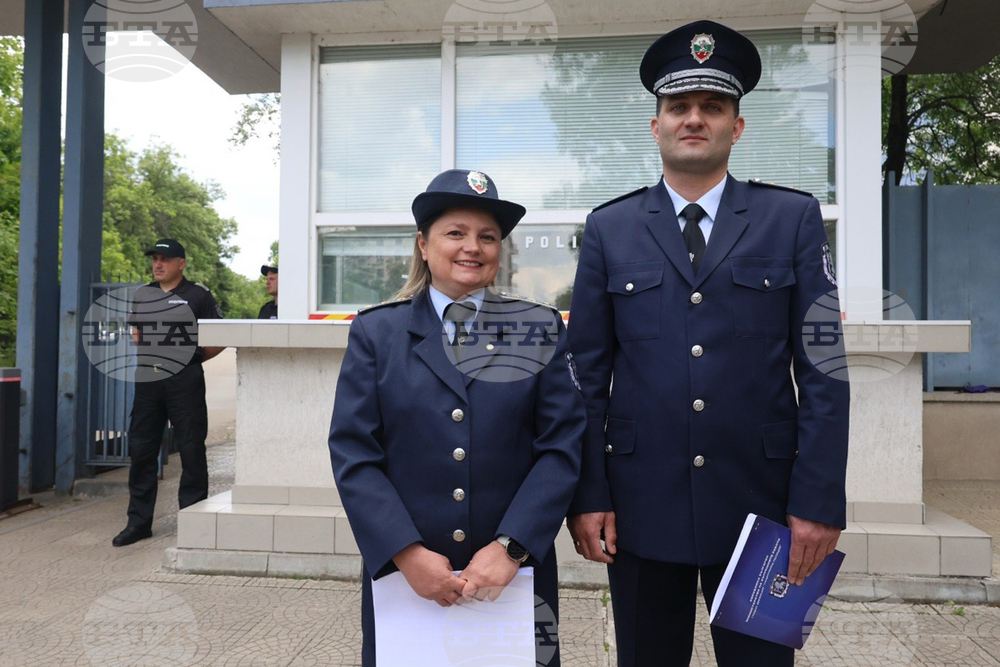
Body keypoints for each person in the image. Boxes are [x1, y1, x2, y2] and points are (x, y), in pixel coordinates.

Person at [566, 21, 851, 667]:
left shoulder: (792, 218)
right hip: (640, 504)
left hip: (766, 506)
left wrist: (818, 501)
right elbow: (584, 373)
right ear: (656, 125)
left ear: (737, 126)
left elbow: (825, 370)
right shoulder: (610, 227)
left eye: (712, 107)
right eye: (679, 107)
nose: (694, 118)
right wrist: (588, 494)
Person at [328, 169, 585, 667]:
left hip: (514, 575)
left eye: (487, 236)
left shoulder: (538, 329)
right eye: (456, 233)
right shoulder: (377, 333)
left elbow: (562, 446)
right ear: (423, 245)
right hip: (409, 581)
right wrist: (406, 554)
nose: (473, 247)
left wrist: (510, 549)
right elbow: (354, 451)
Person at [112, 239, 226, 547]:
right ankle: (138, 524)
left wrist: (190, 360)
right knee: (142, 451)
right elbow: (135, 332)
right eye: (155, 259)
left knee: (191, 449)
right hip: (148, 382)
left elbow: (219, 337)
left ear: (181, 263)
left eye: (165, 259)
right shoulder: (142, 294)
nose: (157, 264)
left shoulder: (198, 295)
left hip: (184, 382)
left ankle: (193, 522)